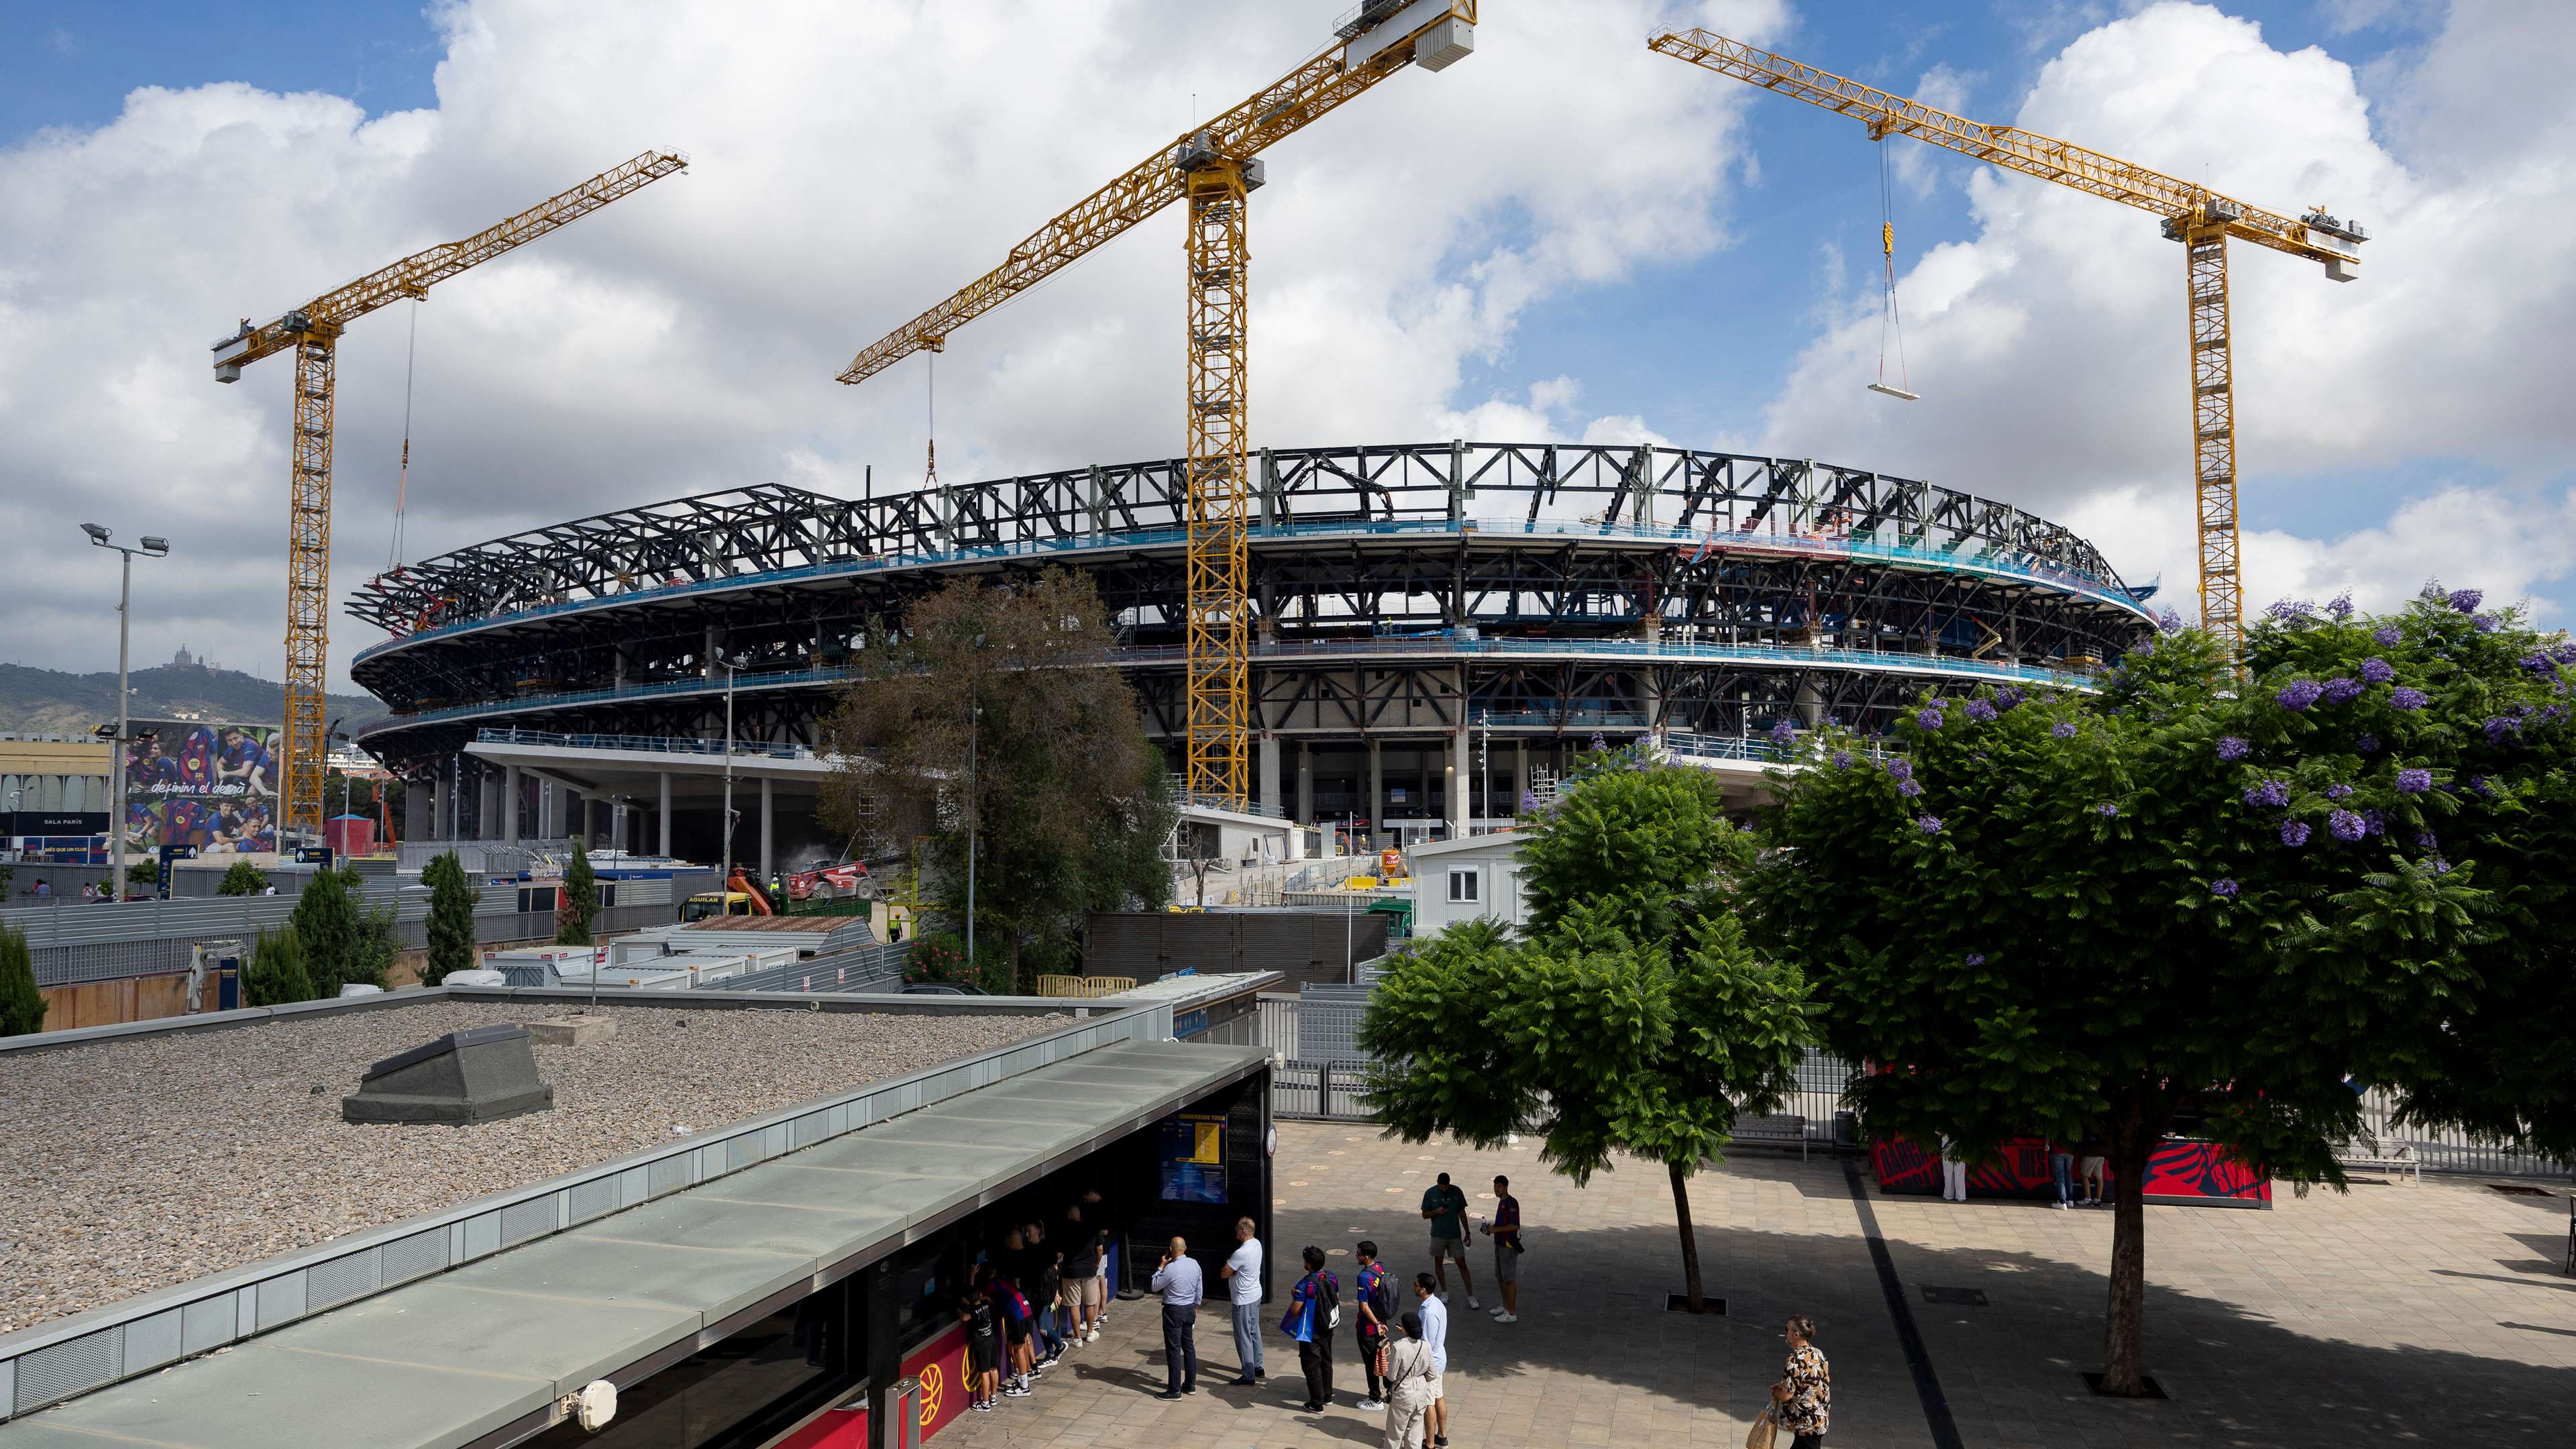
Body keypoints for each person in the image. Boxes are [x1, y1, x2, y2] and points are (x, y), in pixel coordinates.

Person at [1282, 1244, 1338, 1412]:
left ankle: (1316, 1403)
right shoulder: (1331, 1277)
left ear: (1308, 1264)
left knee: (1311, 1366)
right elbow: (1336, 1297)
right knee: (1327, 1361)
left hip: (1311, 1331)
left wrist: (1294, 1294)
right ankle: (1328, 1395)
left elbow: (1296, 1310)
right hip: (1328, 1326)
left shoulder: (1304, 1285)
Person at [1150, 1236, 1203, 1399]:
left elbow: (1154, 1286)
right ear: (1185, 1248)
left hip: (1174, 1311)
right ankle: (1190, 1384)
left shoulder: (1170, 1269)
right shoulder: (1195, 1264)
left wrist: (1160, 1267)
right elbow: (1199, 1288)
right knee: (1189, 1347)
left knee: (1173, 1350)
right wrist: (1195, 1306)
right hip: (1189, 1309)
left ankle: (1174, 1390)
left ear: (1171, 1250)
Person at [1769, 1316, 1831, 1448]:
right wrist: (1782, 1386)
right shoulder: (1818, 1354)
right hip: (1818, 1420)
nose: (1786, 1333)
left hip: (1806, 1424)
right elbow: (1809, 1383)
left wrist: (1776, 1391)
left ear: (1796, 1334)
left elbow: (1786, 1395)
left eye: (1787, 1330)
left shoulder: (1794, 1360)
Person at [1420, 1171, 1477, 1308]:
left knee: (1461, 1262)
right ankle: (1444, 1291)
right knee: (1438, 1261)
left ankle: (1471, 1296)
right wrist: (1436, 1212)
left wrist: (1467, 1232)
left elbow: (1462, 1213)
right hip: (1438, 1234)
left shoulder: (1457, 1192)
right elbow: (1424, 1214)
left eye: (1446, 1186)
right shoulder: (1430, 1193)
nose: (1444, 1189)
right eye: (1442, 1187)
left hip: (1455, 1235)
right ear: (1438, 1182)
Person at [1381, 1310, 1438, 1449]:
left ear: (1404, 1328)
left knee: (1394, 1435)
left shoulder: (1399, 1347)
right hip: (1421, 1393)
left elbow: (1392, 1376)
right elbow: (1432, 1374)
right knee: (1415, 1437)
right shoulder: (1426, 1346)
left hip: (1403, 1393)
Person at [1221, 1216, 1266, 1385]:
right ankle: (1258, 1366)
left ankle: (1248, 1375)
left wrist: (1230, 1268)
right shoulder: (1257, 1244)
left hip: (1243, 1299)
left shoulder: (1241, 1253)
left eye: (1237, 1230)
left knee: (1243, 1336)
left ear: (1243, 1231)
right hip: (1255, 1294)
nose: (1236, 1232)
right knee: (1254, 1331)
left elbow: (1225, 1272)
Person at [1353, 1240, 1394, 1411]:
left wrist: (1375, 1322)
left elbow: (1364, 1307)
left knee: (1370, 1363)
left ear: (1366, 1257)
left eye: (1359, 1254)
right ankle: (1392, 1391)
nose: (1356, 1256)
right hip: (1382, 1324)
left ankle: (1375, 1398)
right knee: (1383, 1358)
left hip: (1368, 1327)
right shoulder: (1380, 1267)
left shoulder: (1363, 1277)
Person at [1411, 1272, 1450, 1448]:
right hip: (1439, 1359)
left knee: (1429, 1404)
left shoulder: (1429, 1313)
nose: (1414, 1287)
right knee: (1438, 1397)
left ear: (1423, 1289)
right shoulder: (1436, 1303)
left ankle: (1431, 1443)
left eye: (1416, 1285)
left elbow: (1426, 1344)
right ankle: (1442, 1436)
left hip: (1431, 1363)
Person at [1061, 1201, 1109, 1342]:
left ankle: (1077, 1338)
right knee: (1089, 1303)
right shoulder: (1093, 1227)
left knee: (1074, 1305)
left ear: (1069, 1215)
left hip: (1071, 1271)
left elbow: (1059, 1252)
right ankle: (1089, 1333)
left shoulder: (1065, 1229)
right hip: (1089, 1270)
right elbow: (1100, 1249)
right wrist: (1097, 1263)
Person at [1481, 1175, 1522, 1323]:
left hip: (1508, 1246)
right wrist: (1490, 1228)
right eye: (1495, 1186)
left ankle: (1511, 1313)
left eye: (1499, 1186)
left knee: (1509, 1279)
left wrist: (1496, 1230)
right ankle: (1505, 1306)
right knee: (1500, 1277)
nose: (1496, 1189)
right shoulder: (1501, 1203)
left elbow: (1515, 1226)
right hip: (1499, 1244)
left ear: (1506, 1187)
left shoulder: (1511, 1203)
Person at [962, 1274, 1002, 1413]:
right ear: (980, 1295)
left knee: (984, 1373)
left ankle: (985, 1403)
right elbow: (978, 1295)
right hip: (992, 1340)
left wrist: (957, 1309)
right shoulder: (986, 1304)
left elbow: (964, 1318)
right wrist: (972, 1276)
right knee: (993, 1369)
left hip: (982, 1345)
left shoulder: (971, 1311)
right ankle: (993, 1397)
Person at [2079, 1135, 2108, 1207]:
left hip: (2091, 1153)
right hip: (2101, 1153)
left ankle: (2088, 1199)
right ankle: (2098, 1200)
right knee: (2099, 1177)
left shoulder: (2089, 1128)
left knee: (2084, 1175)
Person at [1938, 1136, 1968, 1203]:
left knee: (1959, 1171)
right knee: (1948, 1172)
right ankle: (1949, 1195)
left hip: (1960, 1142)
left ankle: (1960, 1196)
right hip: (1947, 1142)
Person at [2049, 1140, 2077, 1210]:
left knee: (2060, 1176)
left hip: (2058, 1150)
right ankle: (2070, 1200)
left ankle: (2063, 1202)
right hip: (2070, 1151)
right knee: (2068, 1174)